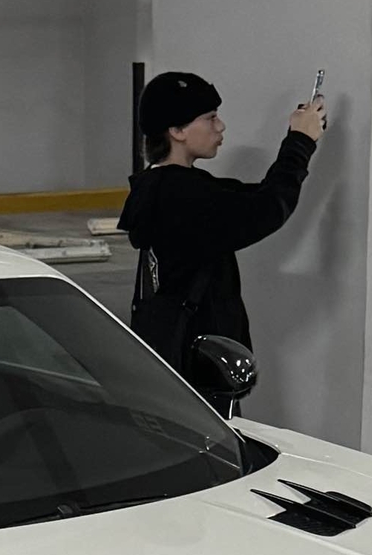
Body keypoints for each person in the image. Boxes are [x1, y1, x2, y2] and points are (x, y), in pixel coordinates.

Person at [119, 69, 329, 410]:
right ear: (177, 130)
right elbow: (267, 209)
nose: (221, 126)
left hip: (176, 365)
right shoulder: (180, 197)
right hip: (198, 374)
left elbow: (257, 198)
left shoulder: (162, 188)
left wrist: (299, 139)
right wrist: (300, 142)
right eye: (210, 117)